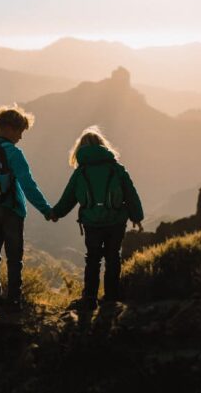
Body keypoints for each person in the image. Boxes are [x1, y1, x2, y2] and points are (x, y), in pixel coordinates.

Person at [50, 126, 144, 311]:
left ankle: (90, 298)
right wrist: (136, 216)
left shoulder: (80, 172)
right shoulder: (116, 168)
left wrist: (56, 213)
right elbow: (130, 193)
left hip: (92, 222)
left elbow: (68, 197)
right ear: (103, 145)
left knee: (92, 259)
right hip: (116, 221)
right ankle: (111, 298)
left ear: (80, 149)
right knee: (113, 257)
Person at [0, 104, 53, 312]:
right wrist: (45, 209)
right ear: (9, 128)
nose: (20, 137)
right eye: (20, 131)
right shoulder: (14, 153)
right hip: (12, 211)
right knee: (14, 257)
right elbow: (28, 185)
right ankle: (14, 300)